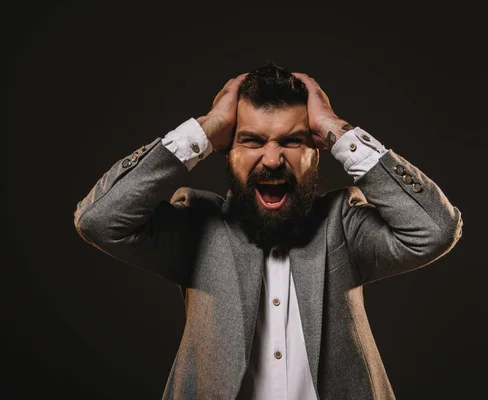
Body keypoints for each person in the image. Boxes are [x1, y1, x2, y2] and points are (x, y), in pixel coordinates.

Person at [74, 61, 463, 399]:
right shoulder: (197, 225)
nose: (273, 159)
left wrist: (336, 129)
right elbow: (99, 220)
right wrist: (203, 130)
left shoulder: (343, 224)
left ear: (316, 148)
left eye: (292, 141)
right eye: (252, 141)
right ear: (227, 148)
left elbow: (436, 229)